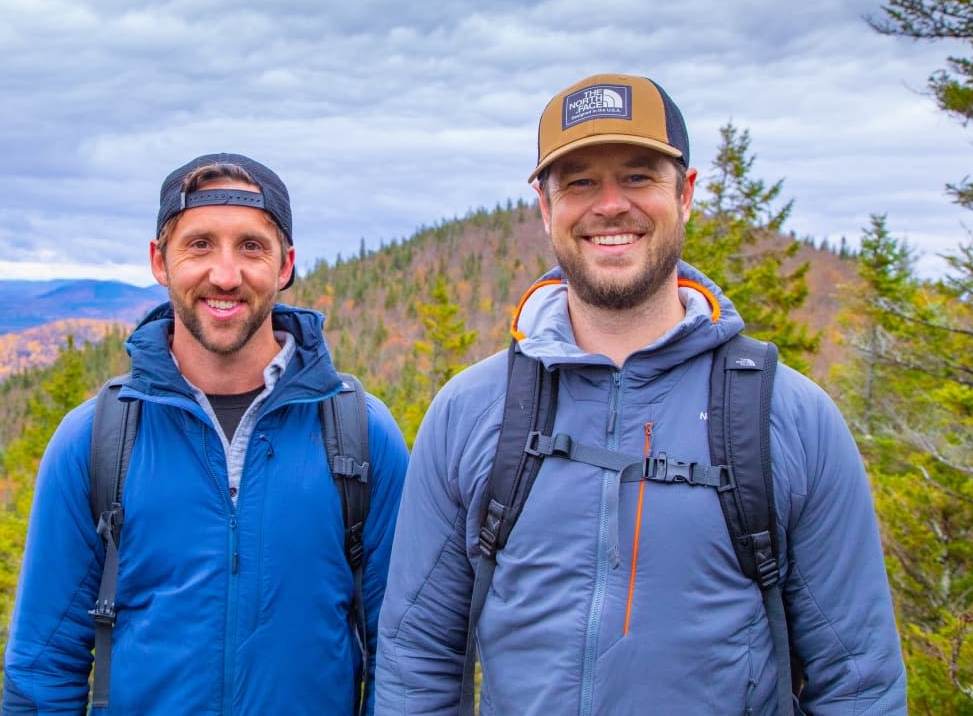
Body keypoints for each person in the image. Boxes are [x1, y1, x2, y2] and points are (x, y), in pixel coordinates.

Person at [375, 75, 907, 714]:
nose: (609, 206)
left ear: (684, 195)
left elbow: (859, 682)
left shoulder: (788, 418)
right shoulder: (470, 412)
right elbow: (417, 663)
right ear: (545, 208)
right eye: (579, 182)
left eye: (637, 177)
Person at [2, 152, 409, 714]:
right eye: (199, 245)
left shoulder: (360, 434)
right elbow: (43, 668)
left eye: (251, 246)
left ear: (285, 265)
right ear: (159, 261)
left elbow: (403, 656)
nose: (225, 274)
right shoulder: (96, 441)